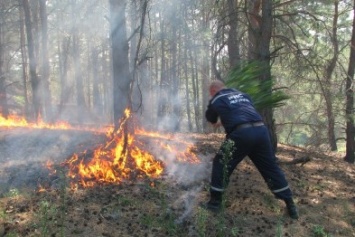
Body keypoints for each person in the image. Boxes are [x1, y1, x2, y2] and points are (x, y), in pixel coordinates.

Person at [204, 80, 299, 219]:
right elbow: (240, 112)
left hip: (241, 134)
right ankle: (290, 204)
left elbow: (211, 117)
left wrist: (215, 122)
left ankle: (214, 203)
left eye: (210, 92)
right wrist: (224, 121)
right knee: (270, 167)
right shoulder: (243, 95)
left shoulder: (217, 98)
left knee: (221, 162)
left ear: (213, 90)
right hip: (261, 130)